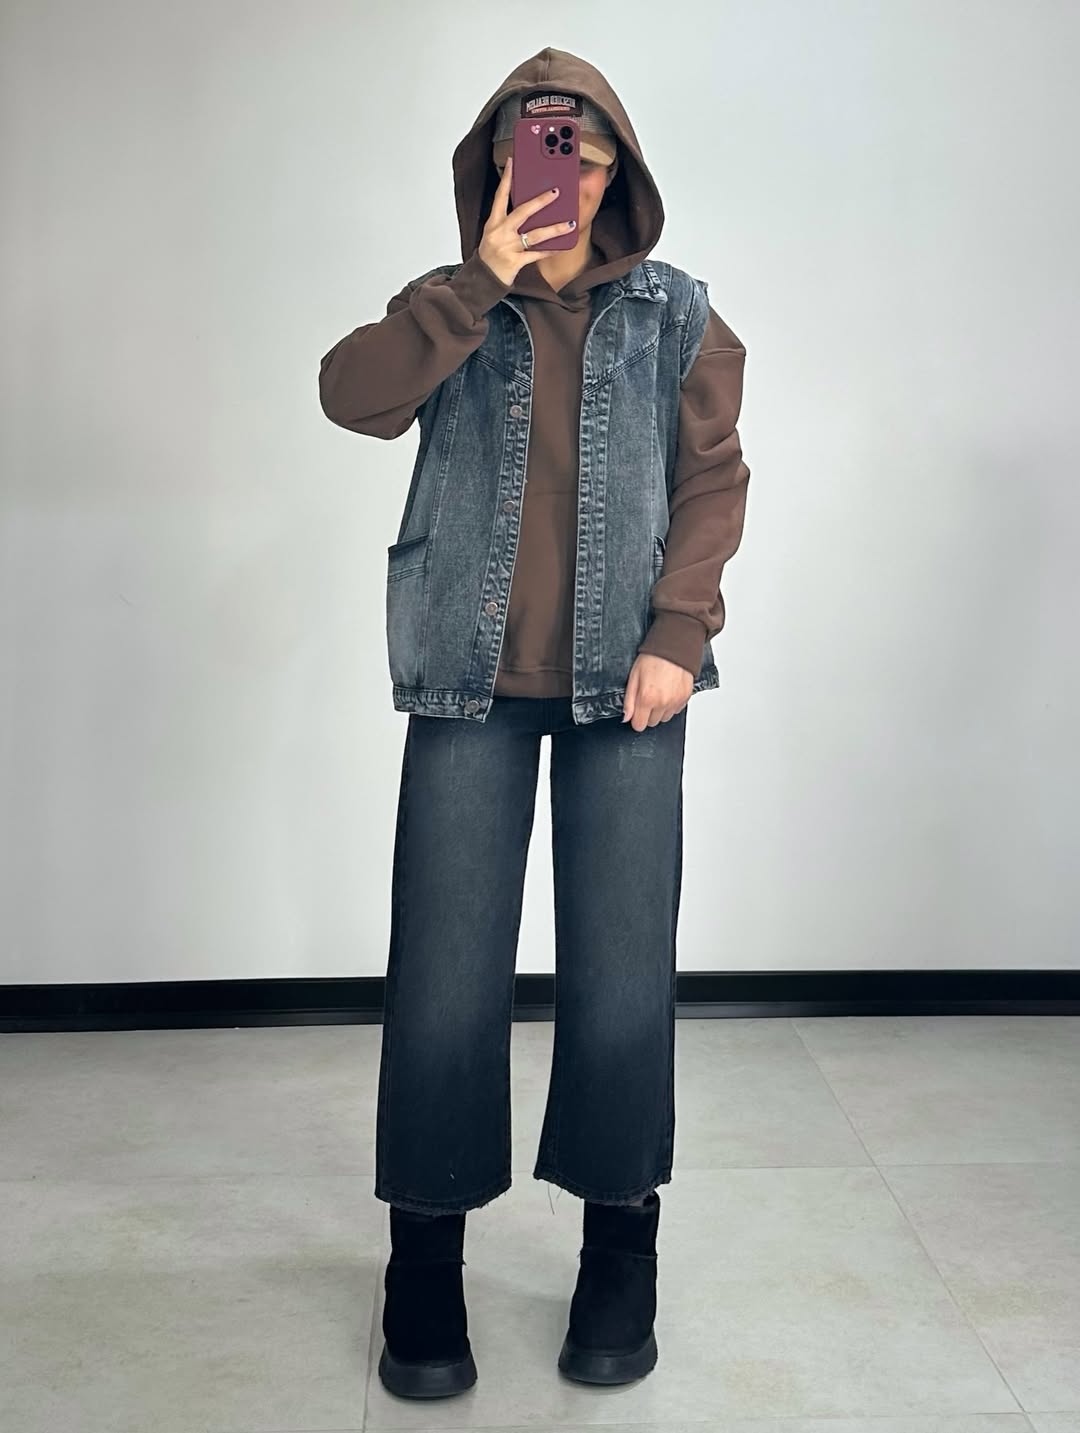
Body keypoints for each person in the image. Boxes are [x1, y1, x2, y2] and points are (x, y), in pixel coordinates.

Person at [318, 46, 750, 1402]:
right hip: (467, 681)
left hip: (632, 687)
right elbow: (350, 396)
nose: (557, 176)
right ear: (497, 167)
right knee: (444, 980)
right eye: (529, 151)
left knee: (621, 976)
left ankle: (621, 1248)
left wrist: (680, 633)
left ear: (618, 172)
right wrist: (476, 282)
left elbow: (715, 482)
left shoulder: (681, 316)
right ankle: (424, 1266)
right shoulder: (450, 306)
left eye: (580, 153)